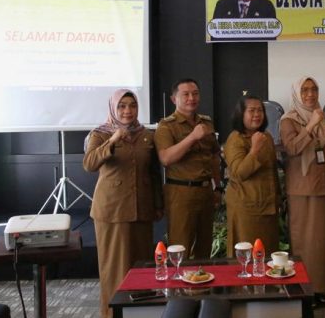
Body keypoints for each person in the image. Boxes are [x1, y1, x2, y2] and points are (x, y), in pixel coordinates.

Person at [83, 89, 162, 318]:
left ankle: (142, 313)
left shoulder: (146, 134)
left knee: (142, 265)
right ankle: (111, 314)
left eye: (132, 105)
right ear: (113, 108)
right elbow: (89, 164)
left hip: (142, 210)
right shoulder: (101, 133)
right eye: (122, 106)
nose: (128, 111)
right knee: (114, 267)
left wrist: (158, 204)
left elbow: (154, 173)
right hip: (112, 211)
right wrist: (113, 140)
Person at [279, 77, 325, 305]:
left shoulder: (321, 116)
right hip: (301, 189)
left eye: (314, 89)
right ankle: (303, 291)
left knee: (322, 243)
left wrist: (317, 121)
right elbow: (292, 148)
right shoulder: (288, 120)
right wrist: (311, 125)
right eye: (304, 90)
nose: (310, 94)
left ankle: (321, 289)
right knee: (304, 243)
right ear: (296, 93)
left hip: (324, 185)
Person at [154, 79, 222, 259]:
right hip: (181, 193)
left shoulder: (206, 122)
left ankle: (202, 278)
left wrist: (218, 186)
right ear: (173, 99)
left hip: (205, 191)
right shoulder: (166, 126)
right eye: (186, 94)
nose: (192, 98)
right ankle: (178, 279)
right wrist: (192, 137)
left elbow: (214, 156)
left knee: (204, 247)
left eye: (195, 93)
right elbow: (166, 158)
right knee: (180, 248)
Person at [223, 95, 280, 256]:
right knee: (247, 254)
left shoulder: (266, 137)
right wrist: (254, 149)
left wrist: (277, 198)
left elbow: (272, 171)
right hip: (246, 209)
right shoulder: (235, 139)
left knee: (268, 254)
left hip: (268, 207)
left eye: (260, 110)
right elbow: (239, 173)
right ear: (241, 114)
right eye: (252, 111)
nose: (257, 114)